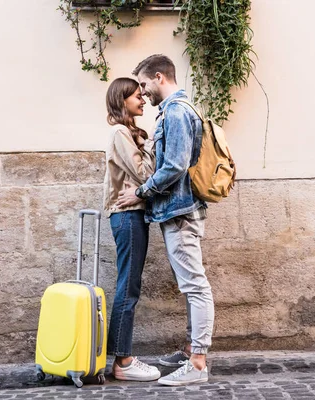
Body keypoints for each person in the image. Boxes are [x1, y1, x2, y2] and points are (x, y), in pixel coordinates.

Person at [116, 54, 214, 386]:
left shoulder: (175, 111)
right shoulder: (174, 111)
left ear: (160, 77)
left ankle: (198, 364)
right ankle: (190, 352)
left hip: (180, 211)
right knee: (190, 286)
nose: (142, 93)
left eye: (143, 85)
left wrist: (141, 192)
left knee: (195, 286)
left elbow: (173, 166)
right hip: (177, 210)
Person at [103, 77, 160, 382]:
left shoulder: (127, 132)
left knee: (130, 284)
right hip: (127, 215)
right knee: (128, 286)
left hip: (132, 214)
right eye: (137, 96)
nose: (142, 99)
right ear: (122, 100)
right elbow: (142, 174)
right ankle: (123, 360)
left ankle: (122, 357)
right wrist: (151, 145)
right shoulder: (120, 132)